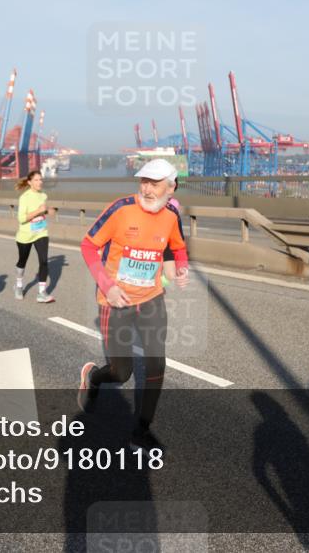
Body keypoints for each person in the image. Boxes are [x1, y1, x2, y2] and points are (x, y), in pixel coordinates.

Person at [76, 158, 189, 456]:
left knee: (155, 366)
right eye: (144, 182)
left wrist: (182, 267)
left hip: (151, 299)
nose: (148, 189)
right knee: (121, 372)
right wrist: (108, 286)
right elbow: (88, 246)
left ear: (171, 186)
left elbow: (177, 246)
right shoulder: (121, 209)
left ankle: (140, 432)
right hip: (116, 301)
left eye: (155, 183)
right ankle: (94, 378)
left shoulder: (171, 216)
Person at [14, 170, 55, 303]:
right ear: (30, 182)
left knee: (43, 261)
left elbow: (42, 211)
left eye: (41, 179)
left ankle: (41, 293)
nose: (40, 182)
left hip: (41, 232)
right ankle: (19, 286)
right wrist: (39, 211)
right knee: (22, 262)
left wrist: (48, 211)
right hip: (25, 235)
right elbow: (21, 219)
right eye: (36, 180)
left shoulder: (43, 195)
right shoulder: (24, 197)